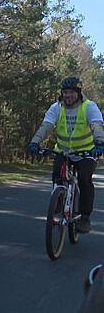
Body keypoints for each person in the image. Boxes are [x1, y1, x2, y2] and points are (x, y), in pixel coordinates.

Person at [29, 76, 104, 233]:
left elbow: (97, 125)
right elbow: (46, 126)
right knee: (57, 174)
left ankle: (84, 217)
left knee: (84, 179)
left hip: (86, 152)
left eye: (71, 92)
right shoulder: (57, 107)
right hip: (63, 151)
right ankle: (57, 202)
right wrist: (35, 141)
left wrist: (99, 143)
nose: (68, 95)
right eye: (65, 92)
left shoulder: (89, 107)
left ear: (78, 93)